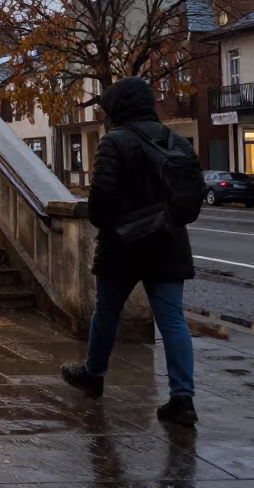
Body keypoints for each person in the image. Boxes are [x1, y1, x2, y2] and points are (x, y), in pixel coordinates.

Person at [60, 76, 199, 426]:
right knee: (172, 321)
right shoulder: (177, 142)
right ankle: (182, 398)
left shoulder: (114, 142)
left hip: (122, 245)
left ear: (121, 108)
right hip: (169, 243)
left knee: (106, 312)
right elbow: (190, 200)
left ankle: (94, 375)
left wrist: (115, 224)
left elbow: (100, 201)